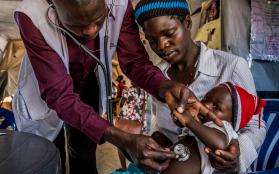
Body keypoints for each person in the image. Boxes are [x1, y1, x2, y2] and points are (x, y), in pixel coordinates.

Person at [12, 0, 219, 173]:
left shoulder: (119, 4)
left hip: (88, 83)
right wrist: (121, 138)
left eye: (98, 19)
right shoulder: (31, 15)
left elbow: (134, 61)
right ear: (54, 7)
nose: (91, 31)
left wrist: (164, 86)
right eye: (76, 26)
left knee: (83, 152)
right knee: (47, 155)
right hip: (45, 94)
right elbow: (59, 95)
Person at [134, 0, 266, 172]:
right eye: (152, 40)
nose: (161, 45)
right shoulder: (158, 77)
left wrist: (237, 154)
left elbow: (256, 126)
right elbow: (163, 127)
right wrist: (154, 145)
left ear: (187, 22)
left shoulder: (231, 66)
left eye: (169, 33)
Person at [161, 82, 266, 174]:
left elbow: (220, 143)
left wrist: (190, 122)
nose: (205, 105)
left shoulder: (223, 127)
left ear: (231, 122)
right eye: (205, 99)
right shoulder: (202, 124)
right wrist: (180, 119)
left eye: (216, 107)